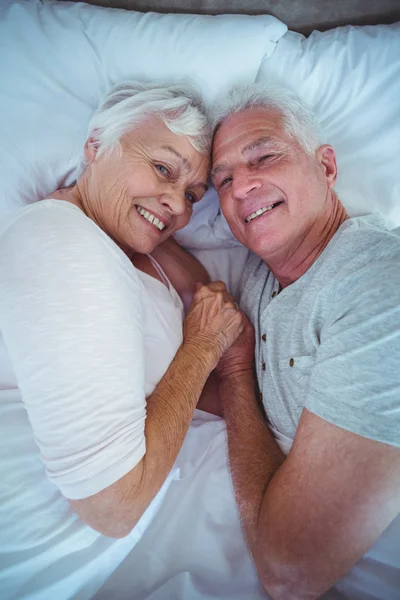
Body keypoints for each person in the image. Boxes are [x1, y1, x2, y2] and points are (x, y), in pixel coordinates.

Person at [0, 81, 242, 599]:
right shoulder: (64, 245)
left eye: (193, 196)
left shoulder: (107, 244)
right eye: (162, 169)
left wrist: (143, 233)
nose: (177, 206)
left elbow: (207, 296)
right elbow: (114, 506)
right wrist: (201, 347)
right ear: (95, 147)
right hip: (68, 562)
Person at [211, 83, 400, 600]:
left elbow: (290, 573)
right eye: (222, 179)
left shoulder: (380, 286)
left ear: (328, 167)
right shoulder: (264, 277)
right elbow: (206, 300)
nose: (239, 188)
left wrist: (233, 374)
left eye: (264, 156)